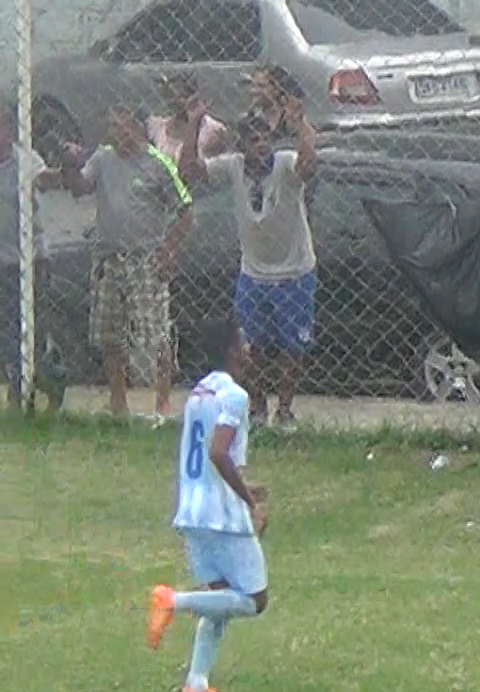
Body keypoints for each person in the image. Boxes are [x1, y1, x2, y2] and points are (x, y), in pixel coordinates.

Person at [146, 317, 270, 692]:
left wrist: (244, 484)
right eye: (244, 341)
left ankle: (196, 684)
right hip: (222, 516)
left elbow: (203, 454)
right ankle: (172, 601)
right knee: (253, 600)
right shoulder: (234, 396)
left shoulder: (198, 394)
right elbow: (218, 451)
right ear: (232, 350)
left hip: (192, 510)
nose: (249, 348)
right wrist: (249, 503)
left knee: (220, 600)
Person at [177, 101, 318, 429]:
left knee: (291, 346)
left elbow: (309, 166)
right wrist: (195, 123)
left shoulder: (284, 164)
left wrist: (301, 127)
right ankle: (257, 406)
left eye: (265, 137)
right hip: (254, 271)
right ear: (241, 144)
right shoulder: (234, 167)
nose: (261, 144)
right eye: (253, 139)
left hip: (294, 269)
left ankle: (284, 409)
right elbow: (189, 171)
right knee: (247, 345)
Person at [55, 103, 194, 419]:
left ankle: (162, 403)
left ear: (137, 127)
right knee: (110, 334)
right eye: (112, 126)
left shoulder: (158, 163)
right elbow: (80, 188)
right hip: (109, 259)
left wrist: (168, 249)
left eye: (121, 126)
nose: (115, 133)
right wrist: (69, 165)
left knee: (155, 331)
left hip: (145, 260)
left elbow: (186, 210)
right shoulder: (103, 159)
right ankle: (118, 403)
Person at [2, 101, 60, 409]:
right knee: (7, 329)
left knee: (33, 326)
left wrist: (60, 169)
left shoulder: (25, 161)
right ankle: (18, 382)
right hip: (2, 261)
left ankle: (47, 379)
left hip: (30, 259)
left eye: (4, 125)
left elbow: (46, 179)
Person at [148, 73, 230, 163]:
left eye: (182, 97)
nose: (174, 102)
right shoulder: (156, 127)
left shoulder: (212, 130)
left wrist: (194, 120)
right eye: (169, 96)